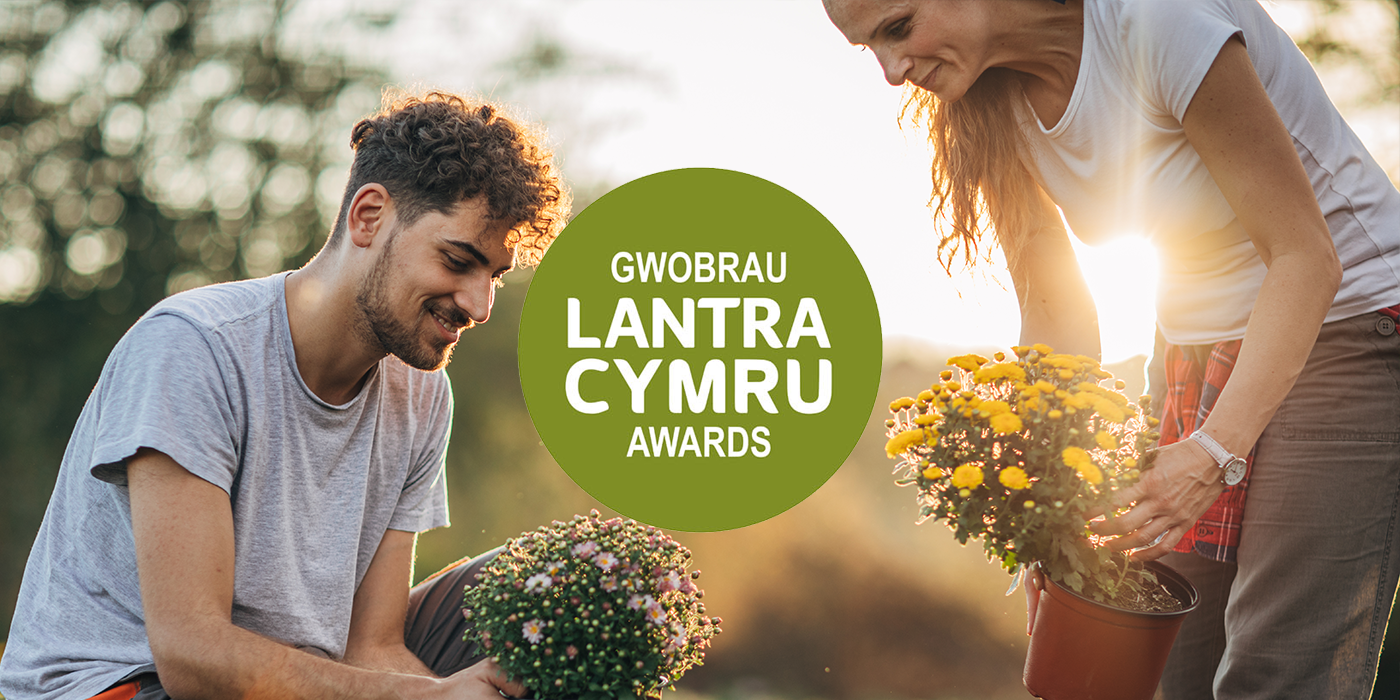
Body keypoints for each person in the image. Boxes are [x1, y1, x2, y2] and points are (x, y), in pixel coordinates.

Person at [823, 0, 1400, 698]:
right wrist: (1048, 514)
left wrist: (1215, 452)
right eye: (869, 49)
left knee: (1276, 675)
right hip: (1191, 352)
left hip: (1347, 328)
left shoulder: (1158, 23)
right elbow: (1055, 309)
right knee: (1171, 664)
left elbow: (1307, 257)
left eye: (898, 28)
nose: (890, 71)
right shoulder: (988, 104)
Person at [0, 90, 569, 700]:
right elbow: (193, 659)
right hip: (122, 686)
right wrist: (429, 697)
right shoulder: (194, 348)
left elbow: (371, 648)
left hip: (289, 682)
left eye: (495, 276)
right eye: (458, 260)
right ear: (368, 216)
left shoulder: (423, 395)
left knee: (552, 590)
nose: (479, 305)